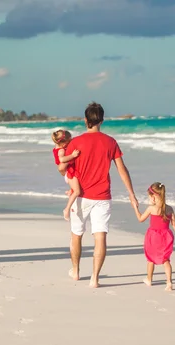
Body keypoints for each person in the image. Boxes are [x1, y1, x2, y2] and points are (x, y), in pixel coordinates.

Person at [63, 102, 138, 288]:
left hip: (80, 196)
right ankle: (94, 278)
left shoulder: (76, 142)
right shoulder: (110, 142)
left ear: (85, 120)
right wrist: (131, 194)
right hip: (102, 197)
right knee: (100, 237)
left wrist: (70, 185)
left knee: (76, 235)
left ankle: (76, 271)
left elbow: (65, 167)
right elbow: (122, 169)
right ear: (102, 121)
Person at [132, 182, 175, 291]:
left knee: (150, 258)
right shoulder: (170, 209)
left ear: (154, 196)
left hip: (154, 236)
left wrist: (135, 208)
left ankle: (149, 279)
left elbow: (140, 219)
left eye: (149, 197)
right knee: (166, 260)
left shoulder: (151, 208)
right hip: (166, 236)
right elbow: (174, 224)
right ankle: (169, 282)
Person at [51, 129, 81, 221]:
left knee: (75, 189)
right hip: (69, 172)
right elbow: (62, 160)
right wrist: (73, 155)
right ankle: (67, 209)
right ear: (64, 144)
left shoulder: (57, 145)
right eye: (69, 140)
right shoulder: (61, 151)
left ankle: (70, 191)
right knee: (77, 192)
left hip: (68, 172)